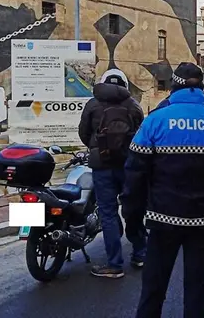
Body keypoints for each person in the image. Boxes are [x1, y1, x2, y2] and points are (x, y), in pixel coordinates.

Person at [122, 62, 204, 318]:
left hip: (162, 220)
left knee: (153, 290)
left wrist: (132, 219)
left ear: (174, 86)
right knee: (197, 292)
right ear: (202, 87)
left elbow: (134, 176)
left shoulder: (154, 122)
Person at [78, 68, 147, 278]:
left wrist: (96, 147)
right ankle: (140, 253)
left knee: (107, 213)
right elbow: (141, 134)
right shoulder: (133, 105)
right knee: (133, 209)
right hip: (128, 165)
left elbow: (83, 132)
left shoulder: (92, 104)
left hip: (102, 166)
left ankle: (115, 264)